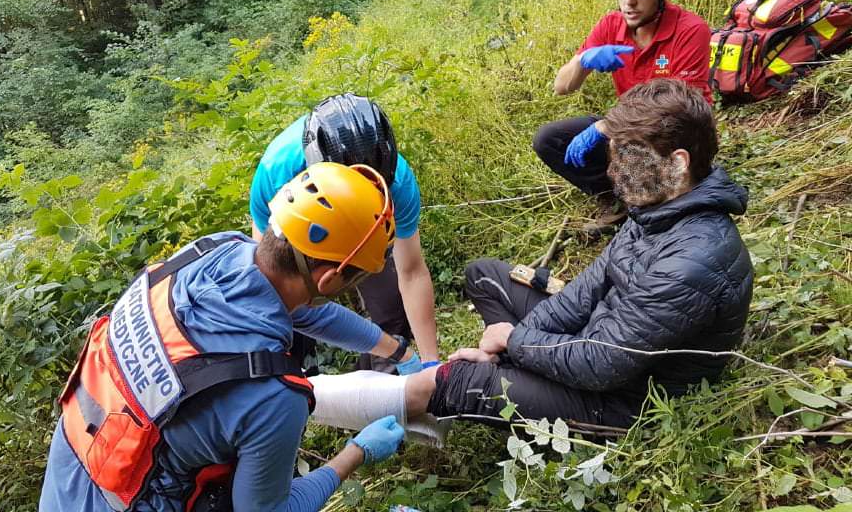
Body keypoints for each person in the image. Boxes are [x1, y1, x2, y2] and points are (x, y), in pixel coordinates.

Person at [309, 79, 753, 431]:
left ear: (677, 163)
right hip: (601, 340)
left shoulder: (693, 261)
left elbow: (602, 363)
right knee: (486, 276)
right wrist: (509, 349)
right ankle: (502, 369)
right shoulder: (656, 209)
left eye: (626, 159)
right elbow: (583, 293)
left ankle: (313, 400)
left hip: (628, 399)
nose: (613, 171)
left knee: (459, 380)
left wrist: (513, 342)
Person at [40, 163, 419, 512]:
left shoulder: (212, 252)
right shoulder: (273, 397)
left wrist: (394, 349)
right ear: (330, 279)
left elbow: (305, 310)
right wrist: (357, 452)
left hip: (69, 470)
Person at [250, 93, 439, 372]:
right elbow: (270, 279)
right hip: (301, 229)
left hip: (370, 230)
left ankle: (389, 378)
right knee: (291, 306)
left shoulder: (396, 182)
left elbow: (411, 272)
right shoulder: (277, 171)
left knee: (388, 309)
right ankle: (299, 378)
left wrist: (431, 362)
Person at [534, 0, 713, 230]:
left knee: (631, 145)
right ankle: (617, 198)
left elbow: (678, 107)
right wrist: (583, 61)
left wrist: (606, 126)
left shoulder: (691, 30)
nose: (629, 1)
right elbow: (562, 87)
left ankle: (654, 202)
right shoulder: (610, 25)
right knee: (549, 139)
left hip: (681, 133)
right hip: (630, 127)